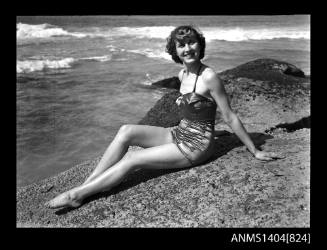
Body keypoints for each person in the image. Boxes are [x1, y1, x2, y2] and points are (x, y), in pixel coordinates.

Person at [46, 25, 281, 209]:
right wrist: (212, 127)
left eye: (192, 42)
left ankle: (76, 195)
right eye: (181, 45)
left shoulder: (209, 77)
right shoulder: (182, 74)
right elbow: (195, 111)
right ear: (175, 51)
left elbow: (229, 116)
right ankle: (88, 185)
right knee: (126, 131)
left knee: (132, 159)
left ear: (200, 46)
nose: (187, 48)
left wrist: (255, 150)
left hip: (195, 145)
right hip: (179, 132)